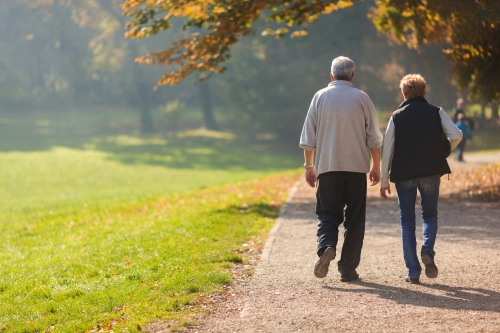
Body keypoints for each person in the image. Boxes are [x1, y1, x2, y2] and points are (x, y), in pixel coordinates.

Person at [300, 56, 383, 282]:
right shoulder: (362, 98)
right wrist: (376, 166)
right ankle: (347, 269)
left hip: (328, 168)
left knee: (327, 214)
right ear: (352, 76)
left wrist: (309, 166)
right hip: (356, 170)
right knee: (355, 219)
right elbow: (374, 138)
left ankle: (327, 246)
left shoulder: (319, 97)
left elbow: (309, 137)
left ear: (331, 76)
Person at [380, 74, 462, 284]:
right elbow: (457, 135)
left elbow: (387, 148)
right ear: (424, 92)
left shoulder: (396, 116)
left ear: (404, 94)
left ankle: (413, 272)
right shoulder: (436, 111)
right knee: (430, 215)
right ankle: (427, 250)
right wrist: (443, 149)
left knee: (407, 222)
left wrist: (384, 180)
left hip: (404, 175)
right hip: (430, 171)